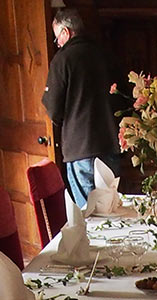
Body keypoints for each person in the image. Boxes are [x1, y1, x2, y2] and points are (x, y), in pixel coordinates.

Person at [42, 8, 120, 208]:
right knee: (110, 209)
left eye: (57, 37)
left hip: (80, 147)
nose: (57, 43)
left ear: (66, 32)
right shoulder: (105, 53)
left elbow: (53, 108)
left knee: (88, 215)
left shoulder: (63, 59)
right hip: (109, 143)